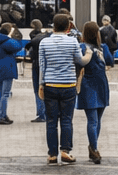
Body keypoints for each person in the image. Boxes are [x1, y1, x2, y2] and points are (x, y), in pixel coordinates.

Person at [38, 13, 91, 165]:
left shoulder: (44, 43)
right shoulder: (73, 42)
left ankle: (52, 155)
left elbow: (43, 66)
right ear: (68, 27)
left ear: (53, 26)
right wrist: (88, 54)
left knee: (51, 121)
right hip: (68, 85)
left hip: (50, 85)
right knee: (67, 120)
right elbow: (79, 61)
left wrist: (41, 84)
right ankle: (65, 151)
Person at [78, 21, 114, 163]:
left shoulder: (82, 47)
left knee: (92, 120)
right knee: (97, 120)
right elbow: (111, 62)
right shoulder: (103, 48)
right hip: (102, 85)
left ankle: (93, 148)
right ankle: (93, 148)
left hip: (88, 85)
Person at [0, 22, 23, 126]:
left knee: (0, 93)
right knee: (5, 94)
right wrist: (11, 36)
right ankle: (2, 116)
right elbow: (18, 46)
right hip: (7, 69)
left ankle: (1, 115)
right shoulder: (7, 41)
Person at [26, 19, 49, 123]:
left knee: (37, 89)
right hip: (47, 65)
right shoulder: (47, 36)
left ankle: (41, 113)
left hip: (36, 65)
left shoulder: (34, 39)